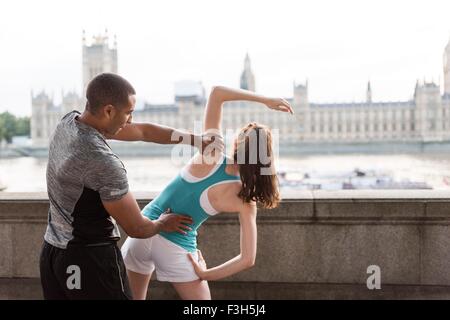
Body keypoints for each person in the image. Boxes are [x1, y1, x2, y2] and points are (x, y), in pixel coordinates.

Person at [39, 73, 222, 300]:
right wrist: (162, 223)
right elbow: (137, 228)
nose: (130, 121)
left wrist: (194, 139)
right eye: (128, 113)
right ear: (108, 111)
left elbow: (143, 131)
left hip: (52, 253)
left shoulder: (67, 123)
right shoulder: (103, 162)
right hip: (90, 259)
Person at [121, 85, 293, 299]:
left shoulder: (211, 152)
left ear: (238, 144)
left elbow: (217, 93)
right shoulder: (245, 200)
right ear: (266, 159)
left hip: (142, 229)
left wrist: (265, 99)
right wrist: (205, 273)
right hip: (175, 245)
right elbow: (247, 259)